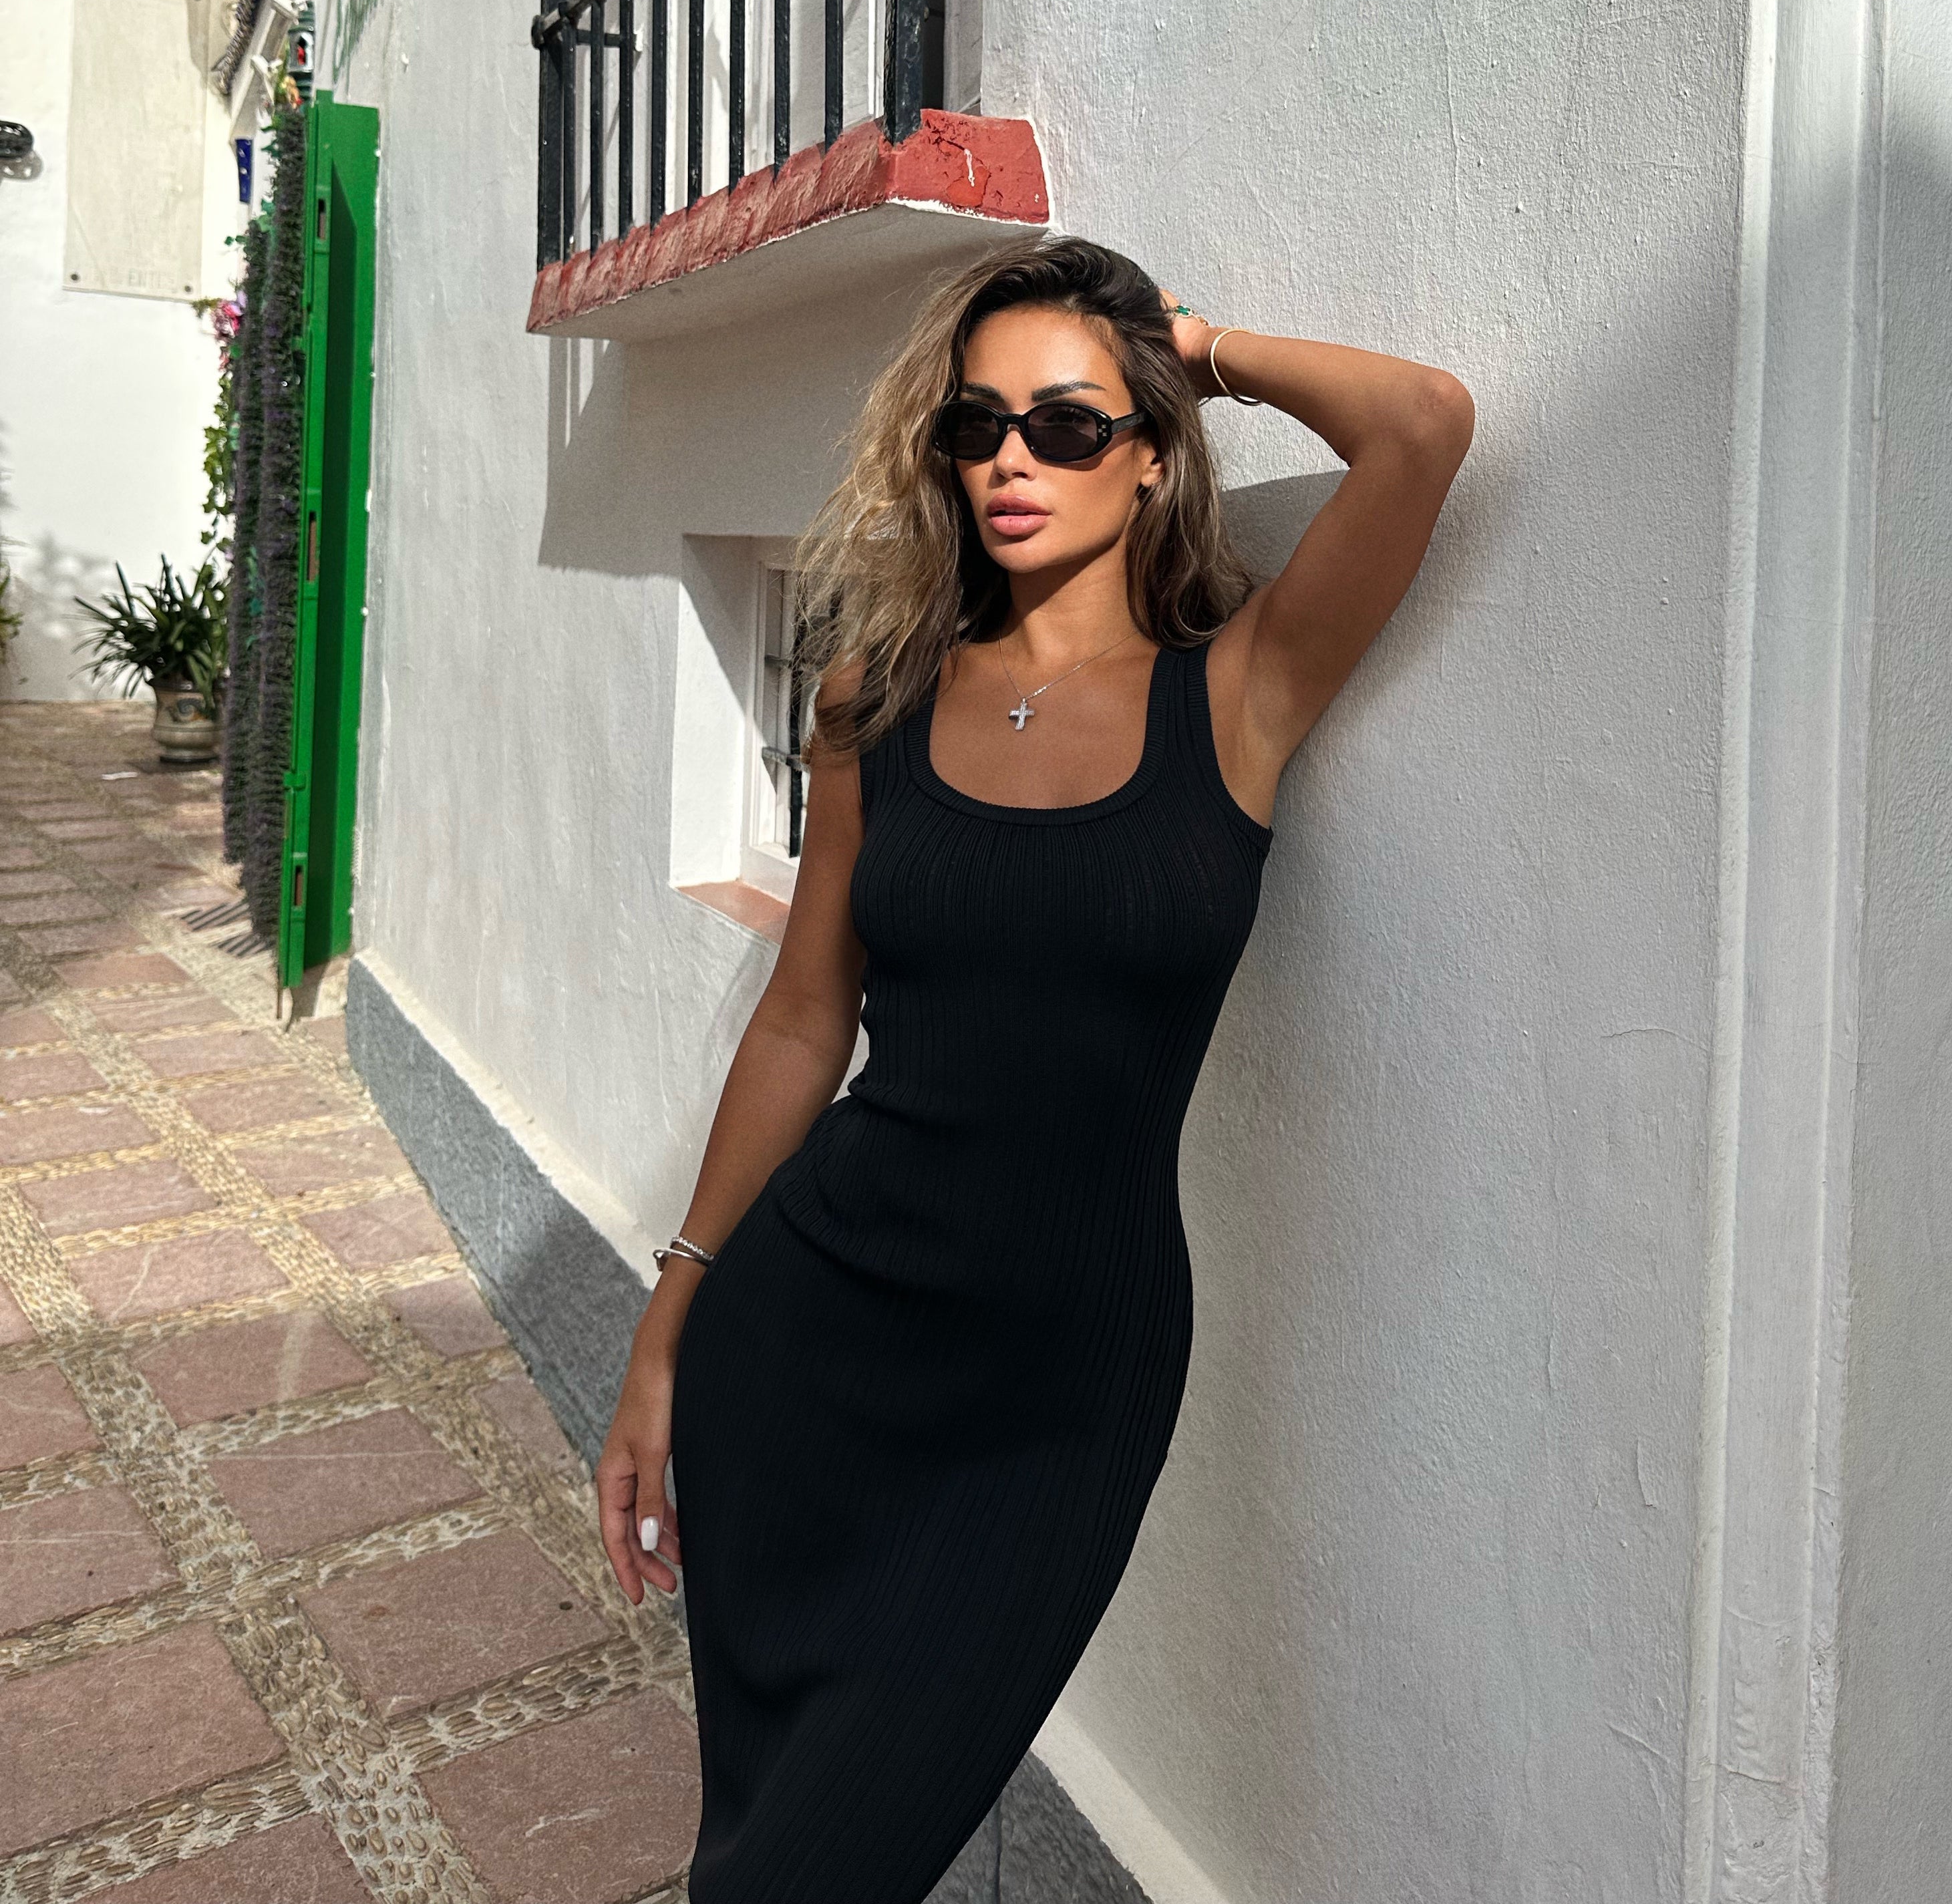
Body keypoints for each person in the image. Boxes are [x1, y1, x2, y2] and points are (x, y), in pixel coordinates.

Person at [596, 236, 1474, 1903]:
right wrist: (668, 1329)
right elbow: (803, 1019)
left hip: (1062, 1387)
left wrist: (1186, 347)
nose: (1012, 458)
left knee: (815, 1868)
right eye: (975, 424)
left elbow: (1422, 424)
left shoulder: (1238, 692)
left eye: (1068, 425)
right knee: (758, 1842)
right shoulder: (874, 698)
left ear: (1150, 456)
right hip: (808, 1337)